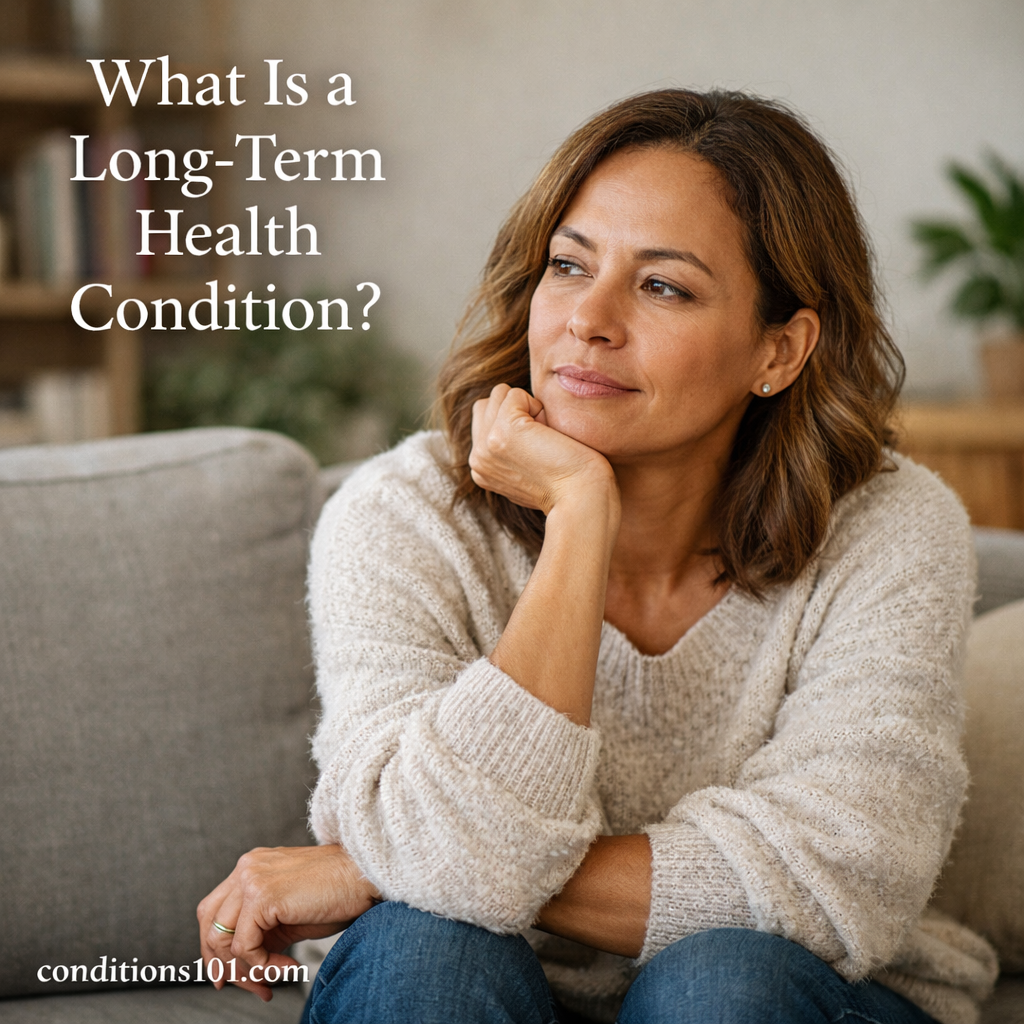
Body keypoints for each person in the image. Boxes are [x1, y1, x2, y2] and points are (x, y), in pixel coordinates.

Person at [196, 89, 998, 1024]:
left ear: (778, 349)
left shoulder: (890, 529)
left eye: (664, 286)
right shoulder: (403, 514)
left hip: (785, 995)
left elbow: (834, 877)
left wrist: (386, 862)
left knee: (720, 981)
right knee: (429, 952)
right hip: (477, 982)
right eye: (570, 266)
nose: (590, 319)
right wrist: (582, 514)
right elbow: (436, 874)